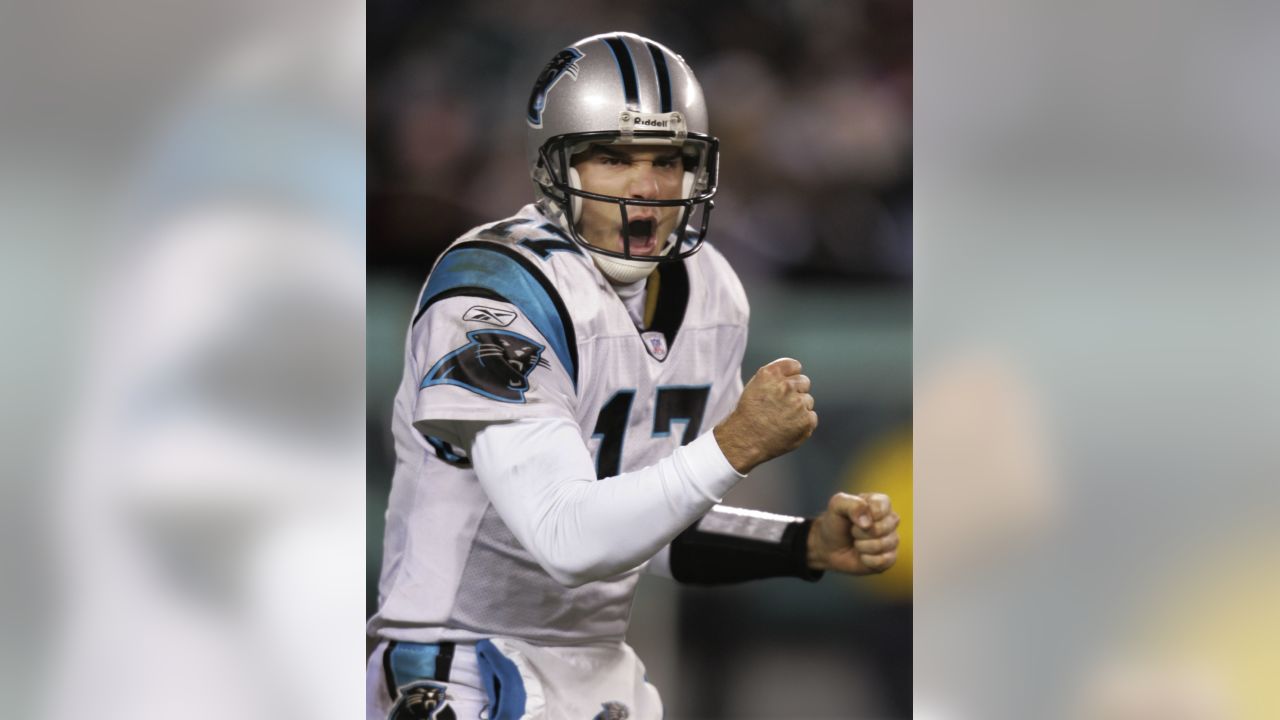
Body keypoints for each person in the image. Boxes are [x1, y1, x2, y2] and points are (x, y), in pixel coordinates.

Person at [367, 31, 901, 720]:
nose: (646, 188)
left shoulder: (710, 290)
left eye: (669, 160)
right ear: (555, 167)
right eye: (614, 158)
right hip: (460, 667)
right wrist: (733, 445)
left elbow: (656, 524)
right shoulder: (495, 291)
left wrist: (800, 545)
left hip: (598, 670)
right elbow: (568, 538)